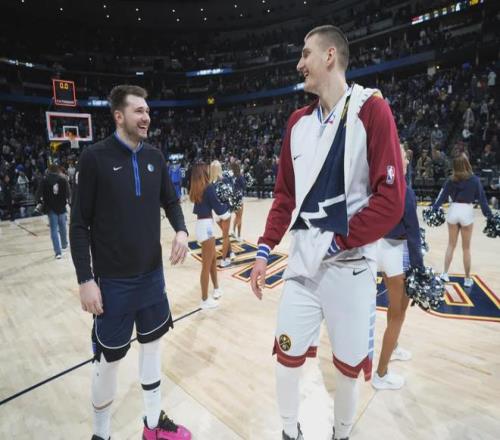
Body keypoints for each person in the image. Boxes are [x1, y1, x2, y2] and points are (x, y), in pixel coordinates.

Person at [250, 25, 405, 440]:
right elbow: (284, 196)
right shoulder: (296, 123)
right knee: (286, 356)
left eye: (306, 54)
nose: (299, 64)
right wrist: (264, 249)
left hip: (349, 266)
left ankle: (341, 434)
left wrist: (339, 240)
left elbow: (390, 199)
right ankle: (290, 432)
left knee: (348, 369)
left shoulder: (372, 110)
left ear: (330, 56)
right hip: (303, 266)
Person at [69, 85, 191, 440]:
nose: (146, 117)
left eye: (147, 111)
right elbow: (79, 225)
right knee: (109, 361)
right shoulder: (94, 158)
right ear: (119, 116)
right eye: (138, 111)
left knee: (152, 349)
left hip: (152, 277)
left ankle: (152, 426)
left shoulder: (155, 156)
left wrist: (181, 230)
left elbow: (171, 201)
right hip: (113, 284)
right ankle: (102, 434)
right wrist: (85, 279)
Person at [372, 145, 424, 390]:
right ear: (396, 160)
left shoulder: (381, 187)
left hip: (381, 248)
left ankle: (392, 347)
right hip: (396, 253)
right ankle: (381, 374)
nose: (408, 159)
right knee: (398, 314)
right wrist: (420, 268)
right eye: (404, 156)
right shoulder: (406, 192)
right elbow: (413, 234)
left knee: (394, 310)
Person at [431, 153, 492, 288]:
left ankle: (445, 274)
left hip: (454, 210)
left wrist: (434, 209)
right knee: (466, 248)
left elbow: (442, 197)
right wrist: (489, 216)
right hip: (466, 212)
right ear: (466, 164)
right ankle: (467, 279)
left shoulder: (451, 180)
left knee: (451, 245)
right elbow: (482, 200)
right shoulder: (475, 180)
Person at [190, 162, 230, 309]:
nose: (208, 170)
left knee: (212, 261)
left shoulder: (198, 188)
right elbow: (219, 209)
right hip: (206, 227)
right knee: (206, 266)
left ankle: (216, 288)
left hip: (202, 225)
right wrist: (228, 208)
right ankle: (204, 299)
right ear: (203, 172)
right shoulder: (208, 188)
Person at [37, 163, 71, 259]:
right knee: (63, 227)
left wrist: (39, 202)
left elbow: (38, 194)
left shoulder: (44, 180)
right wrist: (68, 201)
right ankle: (64, 244)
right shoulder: (63, 179)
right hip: (61, 207)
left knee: (54, 230)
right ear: (58, 170)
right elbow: (68, 193)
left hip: (50, 208)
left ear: (49, 170)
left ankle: (58, 252)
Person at [209, 160, 232, 267]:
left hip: (216, 213)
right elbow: (230, 194)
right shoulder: (225, 180)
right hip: (225, 211)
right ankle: (224, 259)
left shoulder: (210, 183)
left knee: (224, 233)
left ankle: (231, 252)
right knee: (225, 236)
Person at [230, 161, 246, 241]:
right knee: (240, 217)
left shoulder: (231, 176)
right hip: (239, 197)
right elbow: (244, 186)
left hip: (233, 198)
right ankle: (239, 236)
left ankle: (233, 231)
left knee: (236, 216)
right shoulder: (240, 176)